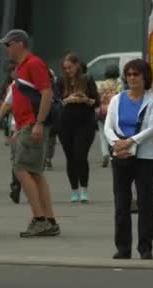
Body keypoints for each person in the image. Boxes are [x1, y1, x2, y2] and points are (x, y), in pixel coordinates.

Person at [0, 29, 60, 238]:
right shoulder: (23, 67)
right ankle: (48, 219)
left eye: (8, 45)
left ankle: (40, 219)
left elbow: (46, 93)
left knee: (21, 169)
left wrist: (39, 123)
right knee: (35, 172)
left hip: (32, 124)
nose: (6, 49)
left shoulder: (33, 64)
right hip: (26, 124)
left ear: (19, 44)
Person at [104, 59, 153, 260]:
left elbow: (152, 127)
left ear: (145, 77)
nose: (132, 78)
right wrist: (117, 143)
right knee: (121, 204)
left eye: (136, 74)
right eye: (129, 74)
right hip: (120, 155)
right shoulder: (117, 99)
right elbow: (108, 126)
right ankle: (123, 247)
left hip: (144, 157)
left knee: (144, 203)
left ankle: (145, 248)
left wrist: (130, 142)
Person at [56, 53, 100, 203]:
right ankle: (74, 190)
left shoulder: (87, 79)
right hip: (66, 124)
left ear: (77, 65)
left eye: (70, 67)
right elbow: (55, 101)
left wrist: (85, 99)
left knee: (80, 156)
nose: (67, 71)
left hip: (85, 123)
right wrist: (67, 100)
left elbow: (97, 101)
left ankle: (84, 189)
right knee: (70, 157)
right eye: (65, 68)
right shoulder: (61, 81)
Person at [0, 63, 21, 204]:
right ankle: (16, 186)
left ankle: (23, 185)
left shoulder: (36, 82)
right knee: (16, 158)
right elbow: (7, 103)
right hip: (16, 125)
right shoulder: (14, 85)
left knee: (25, 160)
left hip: (30, 125)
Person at [96, 64, 122, 168]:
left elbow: (98, 97)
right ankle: (112, 154)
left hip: (102, 111)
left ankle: (105, 153)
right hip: (115, 111)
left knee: (103, 133)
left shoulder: (102, 84)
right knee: (113, 132)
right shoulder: (119, 84)